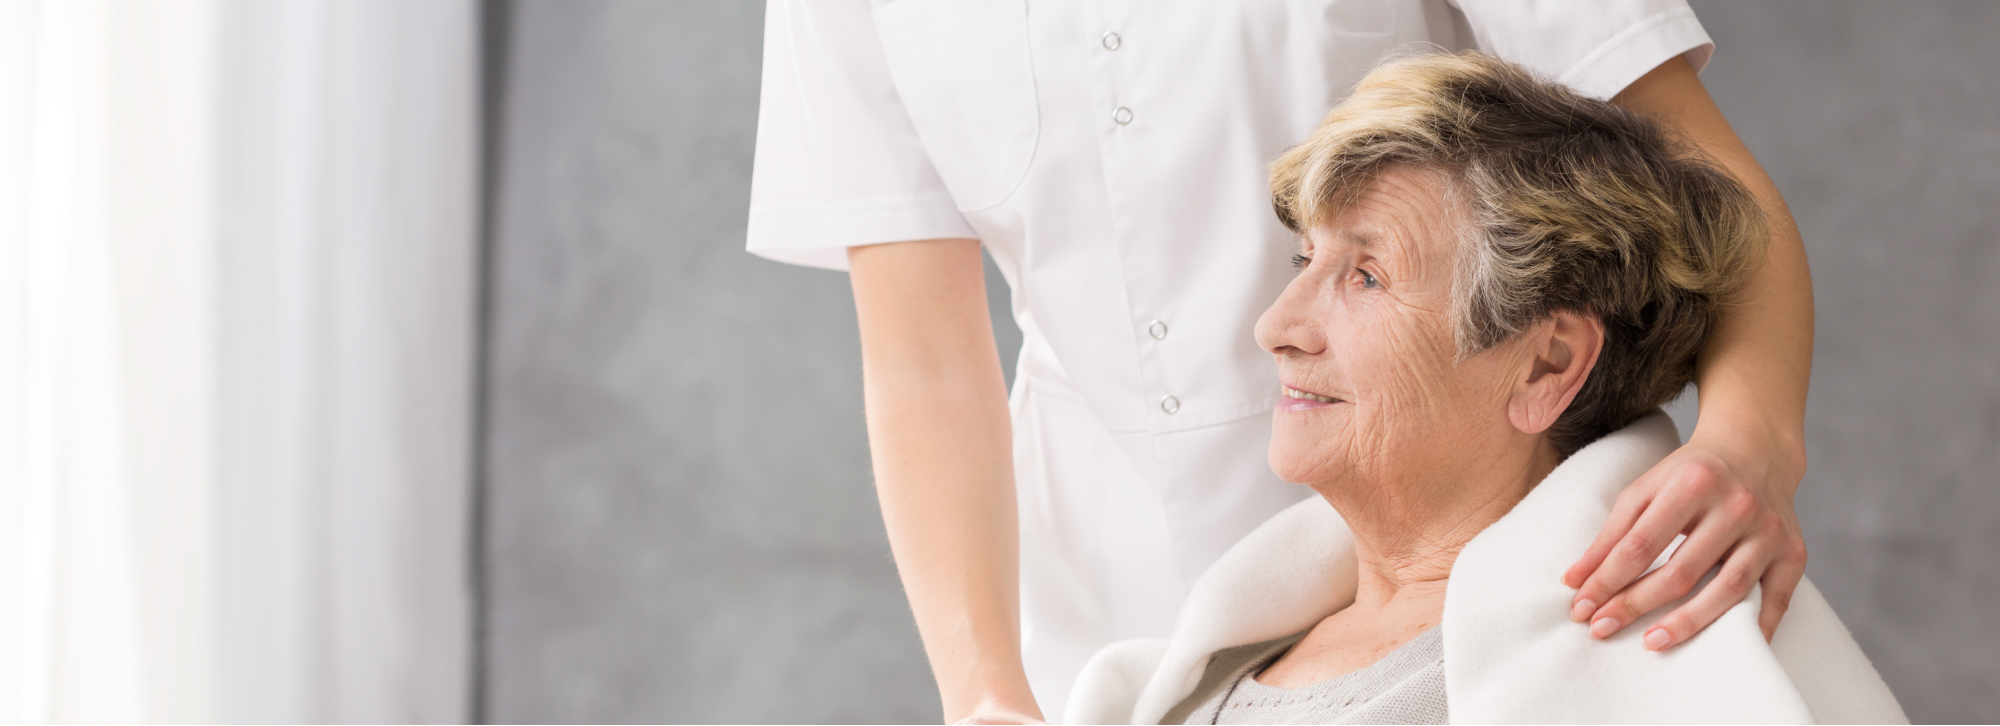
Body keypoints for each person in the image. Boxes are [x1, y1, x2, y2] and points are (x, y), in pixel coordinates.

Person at [746, 1, 1815, 721]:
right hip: (1091, 594)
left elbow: (1708, 186)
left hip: (1457, 555)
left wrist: (1745, 446)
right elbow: (922, 359)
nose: (1276, 323)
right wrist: (983, 690)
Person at [1064, 51, 1902, 725]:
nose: (1277, 326)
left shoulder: (1647, 681)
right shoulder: (1199, 674)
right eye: (1304, 260)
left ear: (1546, 365)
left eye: (1366, 277)